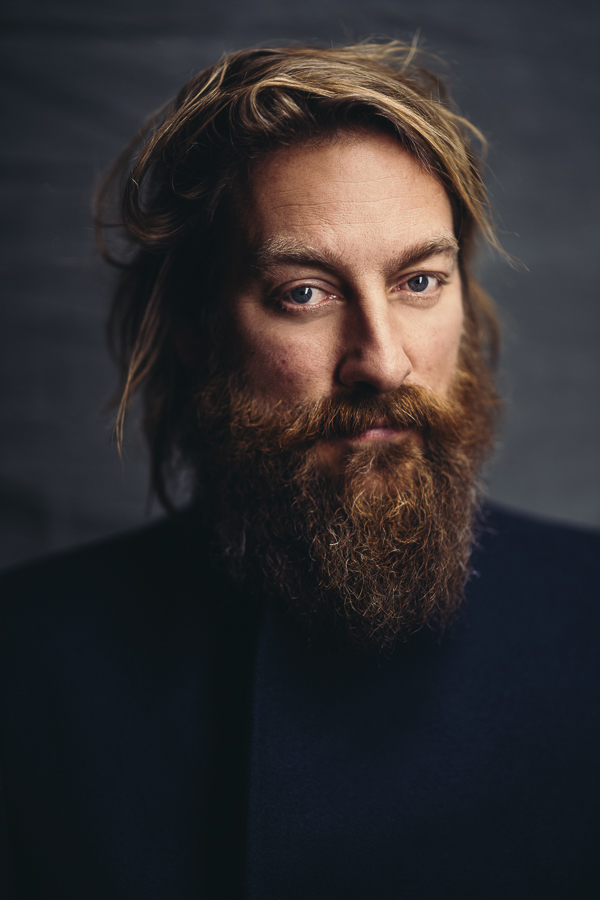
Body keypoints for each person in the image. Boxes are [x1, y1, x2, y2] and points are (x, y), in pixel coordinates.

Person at [0, 41, 598, 900]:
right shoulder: (27, 664)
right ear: (197, 328)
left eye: (419, 281)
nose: (382, 362)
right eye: (304, 293)